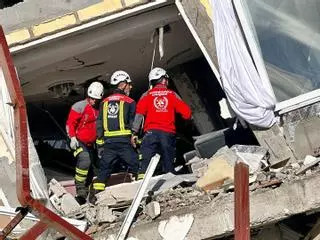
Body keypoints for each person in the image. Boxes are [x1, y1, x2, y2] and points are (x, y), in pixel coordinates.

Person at [131, 67, 192, 179]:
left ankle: (141, 185)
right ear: (164, 80)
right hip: (167, 134)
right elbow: (187, 113)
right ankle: (170, 185)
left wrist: (134, 133)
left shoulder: (146, 95)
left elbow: (139, 114)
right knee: (168, 164)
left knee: (145, 163)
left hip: (150, 134)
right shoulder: (172, 94)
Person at [91, 70, 139, 203]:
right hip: (124, 143)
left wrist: (100, 142)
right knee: (138, 166)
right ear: (123, 84)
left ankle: (96, 199)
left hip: (109, 144)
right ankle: (143, 193)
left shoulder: (104, 102)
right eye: (129, 84)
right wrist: (136, 138)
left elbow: (99, 123)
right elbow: (134, 123)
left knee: (103, 172)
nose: (130, 87)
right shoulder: (129, 101)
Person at [66, 81, 104, 204]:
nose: (93, 101)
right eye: (91, 99)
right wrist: (72, 137)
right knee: (85, 160)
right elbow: (70, 123)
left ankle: (95, 194)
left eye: (96, 99)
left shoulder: (100, 109)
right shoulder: (79, 106)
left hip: (92, 144)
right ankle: (80, 191)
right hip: (78, 141)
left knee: (96, 168)